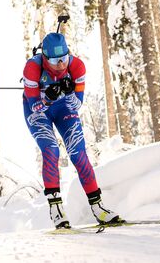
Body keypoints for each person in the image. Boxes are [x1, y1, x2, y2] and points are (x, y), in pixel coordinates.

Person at [22, 32, 122, 229]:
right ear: (44, 58)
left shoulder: (76, 66)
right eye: (55, 60)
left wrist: (68, 92)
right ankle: (56, 209)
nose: (61, 64)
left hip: (64, 108)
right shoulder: (32, 68)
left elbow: (76, 104)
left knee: (78, 153)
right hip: (38, 112)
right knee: (51, 150)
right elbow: (34, 106)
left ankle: (98, 207)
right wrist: (48, 98)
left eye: (64, 58)